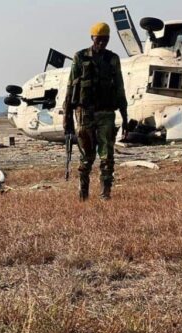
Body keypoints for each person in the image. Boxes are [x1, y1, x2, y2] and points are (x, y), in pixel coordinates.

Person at [63, 22, 128, 201]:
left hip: (106, 113)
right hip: (84, 113)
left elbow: (120, 88)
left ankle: (105, 195)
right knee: (86, 157)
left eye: (105, 40)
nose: (102, 43)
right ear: (92, 38)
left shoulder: (112, 59)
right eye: (99, 40)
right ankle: (83, 195)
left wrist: (125, 116)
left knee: (107, 156)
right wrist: (67, 117)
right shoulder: (80, 57)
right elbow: (70, 88)